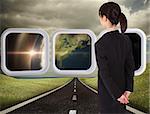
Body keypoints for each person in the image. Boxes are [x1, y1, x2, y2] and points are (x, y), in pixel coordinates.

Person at [94, 2, 135, 113]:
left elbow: (104, 73)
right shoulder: (126, 40)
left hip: (108, 95)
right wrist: (128, 89)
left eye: (100, 16)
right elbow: (130, 67)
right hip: (123, 91)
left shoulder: (100, 44)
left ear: (105, 18)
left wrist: (117, 95)